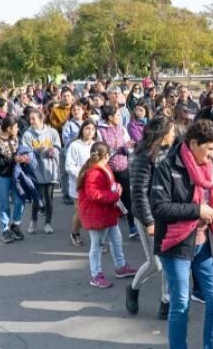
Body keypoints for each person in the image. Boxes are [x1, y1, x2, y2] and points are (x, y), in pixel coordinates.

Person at [149, 119, 213, 349]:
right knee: (181, 304)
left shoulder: (212, 167)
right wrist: (197, 210)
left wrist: (212, 213)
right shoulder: (168, 167)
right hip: (176, 245)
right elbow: (160, 207)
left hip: (206, 243)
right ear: (194, 143)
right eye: (210, 149)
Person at [126, 116, 176, 318]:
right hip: (149, 217)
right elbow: (138, 193)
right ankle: (133, 288)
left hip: (167, 214)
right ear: (162, 134)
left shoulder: (170, 152)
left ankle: (166, 302)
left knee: (167, 262)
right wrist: (148, 221)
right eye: (171, 132)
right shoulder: (143, 156)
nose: (174, 135)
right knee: (155, 264)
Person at [77, 142, 138, 288]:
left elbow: (110, 185)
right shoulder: (94, 172)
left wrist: (117, 187)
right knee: (97, 245)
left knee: (116, 239)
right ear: (105, 155)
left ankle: (120, 266)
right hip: (97, 214)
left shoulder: (103, 168)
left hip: (107, 212)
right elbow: (93, 194)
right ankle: (96, 275)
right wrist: (113, 195)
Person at [98, 105, 138, 238]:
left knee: (127, 197)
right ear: (110, 117)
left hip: (123, 168)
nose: (120, 118)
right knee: (109, 199)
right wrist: (118, 149)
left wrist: (127, 148)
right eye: (117, 115)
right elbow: (99, 151)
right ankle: (105, 231)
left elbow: (129, 148)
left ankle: (132, 226)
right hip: (107, 170)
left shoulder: (122, 129)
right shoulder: (100, 131)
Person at [21, 108, 61, 234]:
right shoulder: (27, 134)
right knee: (37, 198)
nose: (31, 121)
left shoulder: (52, 132)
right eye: (30, 119)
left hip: (49, 169)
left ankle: (48, 223)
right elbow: (25, 151)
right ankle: (33, 220)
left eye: (34, 118)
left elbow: (58, 146)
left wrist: (52, 151)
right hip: (35, 170)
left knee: (49, 198)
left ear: (41, 118)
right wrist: (36, 150)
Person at [0, 117, 27, 244]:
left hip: (16, 176)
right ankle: (5, 229)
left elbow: (21, 152)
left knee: (19, 200)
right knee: (4, 203)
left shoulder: (16, 139)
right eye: (16, 127)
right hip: (1, 177)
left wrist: (25, 158)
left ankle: (15, 224)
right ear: (9, 128)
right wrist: (12, 160)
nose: (17, 129)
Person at [65, 119, 98, 247]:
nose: (89, 131)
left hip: (94, 185)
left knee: (94, 213)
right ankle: (75, 233)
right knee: (81, 212)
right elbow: (69, 166)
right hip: (78, 185)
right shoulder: (75, 145)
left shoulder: (96, 145)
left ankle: (97, 242)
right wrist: (84, 174)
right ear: (82, 130)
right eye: (87, 128)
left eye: (92, 129)